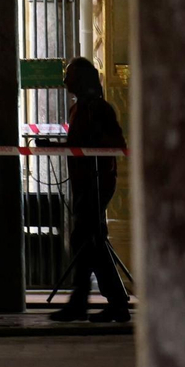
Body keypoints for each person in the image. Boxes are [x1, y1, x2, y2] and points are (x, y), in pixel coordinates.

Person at [46, 57, 130, 322]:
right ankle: (98, 302)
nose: (65, 80)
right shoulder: (78, 109)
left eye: (69, 75)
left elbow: (116, 141)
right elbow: (77, 144)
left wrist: (91, 145)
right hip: (83, 182)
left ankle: (97, 302)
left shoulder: (99, 109)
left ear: (81, 78)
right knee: (88, 240)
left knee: (87, 239)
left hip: (98, 181)